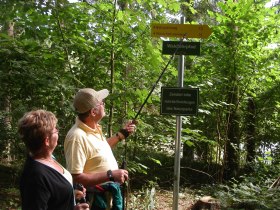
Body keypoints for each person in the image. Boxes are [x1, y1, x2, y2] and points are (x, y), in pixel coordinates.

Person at [64, 88, 136, 210]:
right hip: (94, 201)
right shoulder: (77, 136)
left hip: (107, 198)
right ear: (93, 112)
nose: (104, 105)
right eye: (102, 103)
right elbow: (76, 177)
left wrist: (120, 135)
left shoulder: (93, 128)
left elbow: (98, 150)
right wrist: (110, 175)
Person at [18, 109, 90, 210]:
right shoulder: (36, 175)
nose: (58, 132)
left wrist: (69, 194)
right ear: (47, 141)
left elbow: (52, 196)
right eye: (55, 130)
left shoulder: (48, 159)